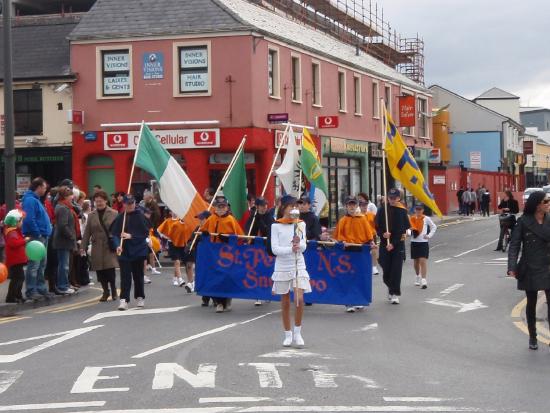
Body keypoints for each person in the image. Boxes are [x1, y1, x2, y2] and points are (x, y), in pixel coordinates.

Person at [508, 191, 550, 350]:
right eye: (546, 201)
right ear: (537, 204)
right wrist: (512, 267)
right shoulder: (524, 222)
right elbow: (514, 245)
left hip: (547, 265)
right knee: (531, 303)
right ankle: (533, 336)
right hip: (529, 266)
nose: (548, 204)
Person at [270, 195, 310, 347]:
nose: (294, 209)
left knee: (299, 299)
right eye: (291, 206)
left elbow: (305, 245)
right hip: (282, 266)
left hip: (298, 264)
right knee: (285, 301)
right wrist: (290, 248)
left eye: (296, 206)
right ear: (283, 208)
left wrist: (298, 245)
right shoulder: (276, 226)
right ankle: (288, 334)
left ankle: (298, 333)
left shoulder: (301, 224)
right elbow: (274, 249)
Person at [201, 195, 244, 313]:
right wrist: (203, 234)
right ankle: (218, 302)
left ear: (226, 208)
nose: (220, 209)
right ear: (215, 208)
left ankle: (227, 299)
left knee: (226, 276)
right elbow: (202, 230)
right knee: (215, 276)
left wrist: (227, 239)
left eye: (222, 207)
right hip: (213, 252)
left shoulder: (231, 220)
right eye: (218, 207)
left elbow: (239, 237)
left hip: (226, 253)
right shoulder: (211, 219)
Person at [110, 194, 152, 311]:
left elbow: (144, 234)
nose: (130, 205)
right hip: (125, 251)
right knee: (125, 276)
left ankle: (140, 297)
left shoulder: (140, 216)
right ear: (124, 204)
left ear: (134, 203)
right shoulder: (120, 217)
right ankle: (124, 300)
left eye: (132, 203)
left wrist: (131, 235)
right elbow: (115, 234)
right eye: (128, 203)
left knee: (138, 275)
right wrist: (117, 245)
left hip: (138, 250)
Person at [333, 196, 374, 312]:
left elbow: (369, 236)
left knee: (359, 276)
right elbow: (338, 237)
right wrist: (342, 242)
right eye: (349, 205)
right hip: (347, 252)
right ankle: (348, 302)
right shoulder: (343, 220)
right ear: (346, 206)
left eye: (353, 205)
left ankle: (358, 300)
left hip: (360, 251)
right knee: (347, 276)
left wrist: (371, 243)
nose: (351, 207)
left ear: (357, 206)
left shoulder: (362, 219)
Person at [81, 191, 119, 302]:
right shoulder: (91, 215)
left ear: (106, 201)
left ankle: (113, 290)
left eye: (101, 201)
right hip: (97, 246)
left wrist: (119, 244)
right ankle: (105, 291)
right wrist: (83, 246)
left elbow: (118, 230)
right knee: (100, 271)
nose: (99, 203)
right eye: (97, 201)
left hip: (109, 245)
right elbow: (87, 232)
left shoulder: (114, 213)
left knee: (110, 270)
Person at [375, 188, 411, 304]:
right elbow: (377, 226)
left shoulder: (402, 210)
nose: (392, 200)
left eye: (394, 198)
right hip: (385, 244)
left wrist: (393, 244)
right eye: (390, 198)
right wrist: (383, 234)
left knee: (396, 269)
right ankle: (391, 286)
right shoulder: (382, 210)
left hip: (397, 245)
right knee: (385, 266)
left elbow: (403, 231)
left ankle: (395, 293)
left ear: (398, 198)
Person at [22, 177, 53, 300]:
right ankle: (31, 290)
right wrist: (38, 233)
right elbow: (30, 219)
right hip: (37, 236)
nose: (45, 190)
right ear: (39, 187)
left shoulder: (35, 200)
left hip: (41, 235)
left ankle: (40, 289)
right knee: (34, 264)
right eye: (44, 187)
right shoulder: (30, 200)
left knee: (41, 264)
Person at [245, 196, 275, 306]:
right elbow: (248, 231)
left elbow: (268, 231)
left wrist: (260, 221)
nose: (264, 207)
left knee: (266, 271)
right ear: (257, 206)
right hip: (254, 249)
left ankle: (267, 293)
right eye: (262, 205)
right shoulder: (252, 217)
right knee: (255, 271)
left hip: (265, 248)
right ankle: (257, 295)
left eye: (265, 205)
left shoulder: (269, 217)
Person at [52, 186, 79, 295]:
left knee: (65, 264)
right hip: (63, 241)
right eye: (70, 195)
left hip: (63, 240)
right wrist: (72, 235)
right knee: (64, 265)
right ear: (65, 196)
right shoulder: (63, 208)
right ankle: (63, 286)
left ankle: (65, 284)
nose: (72, 197)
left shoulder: (63, 206)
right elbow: (63, 226)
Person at [158, 211, 193, 288]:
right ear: (170, 212)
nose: (175, 213)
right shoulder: (168, 221)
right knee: (177, 261)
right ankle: (180, 279)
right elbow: (160, 230)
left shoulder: (182, 222)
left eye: (176, 212)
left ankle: (175, 278)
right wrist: (168, 237)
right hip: (173, 244)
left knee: (179, 262)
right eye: (173, 212)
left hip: (182, 244)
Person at [409, 204, 437, 289]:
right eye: (417, 209)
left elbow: (434, 227)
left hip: (423, 242)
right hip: (414, 242)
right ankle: (417, 276)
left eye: (420, 209)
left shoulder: (426, 218)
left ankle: (424, 280)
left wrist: (428, 236)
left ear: (423, 210)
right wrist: (408, 233)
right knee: (416, 262)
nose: (418, 211)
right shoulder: (412, 219)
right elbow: (407, 229)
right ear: (414, 210)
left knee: (422, 261)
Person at [4, 210, 28, 303]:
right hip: (15, 259)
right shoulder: (12, 232)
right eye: (20, 221)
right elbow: (13, 243)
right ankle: (11, 297)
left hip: (18, 259)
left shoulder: (15, 231)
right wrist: (24, 241)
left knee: (19, 278)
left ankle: (17, 295)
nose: (22, 223)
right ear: (15, 221)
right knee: (17, 278)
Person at [358, 197, 379, 276]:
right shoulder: (358, 216)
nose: (364, 207)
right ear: (359, 206)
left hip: (371, 234)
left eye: (366, 205)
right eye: (363, 205)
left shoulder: (371, 215)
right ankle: (364, 266)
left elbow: (376, 224)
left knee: (374, 250)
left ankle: (374, 267)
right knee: (363, 252)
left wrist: (377, 231)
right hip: (362, 236)